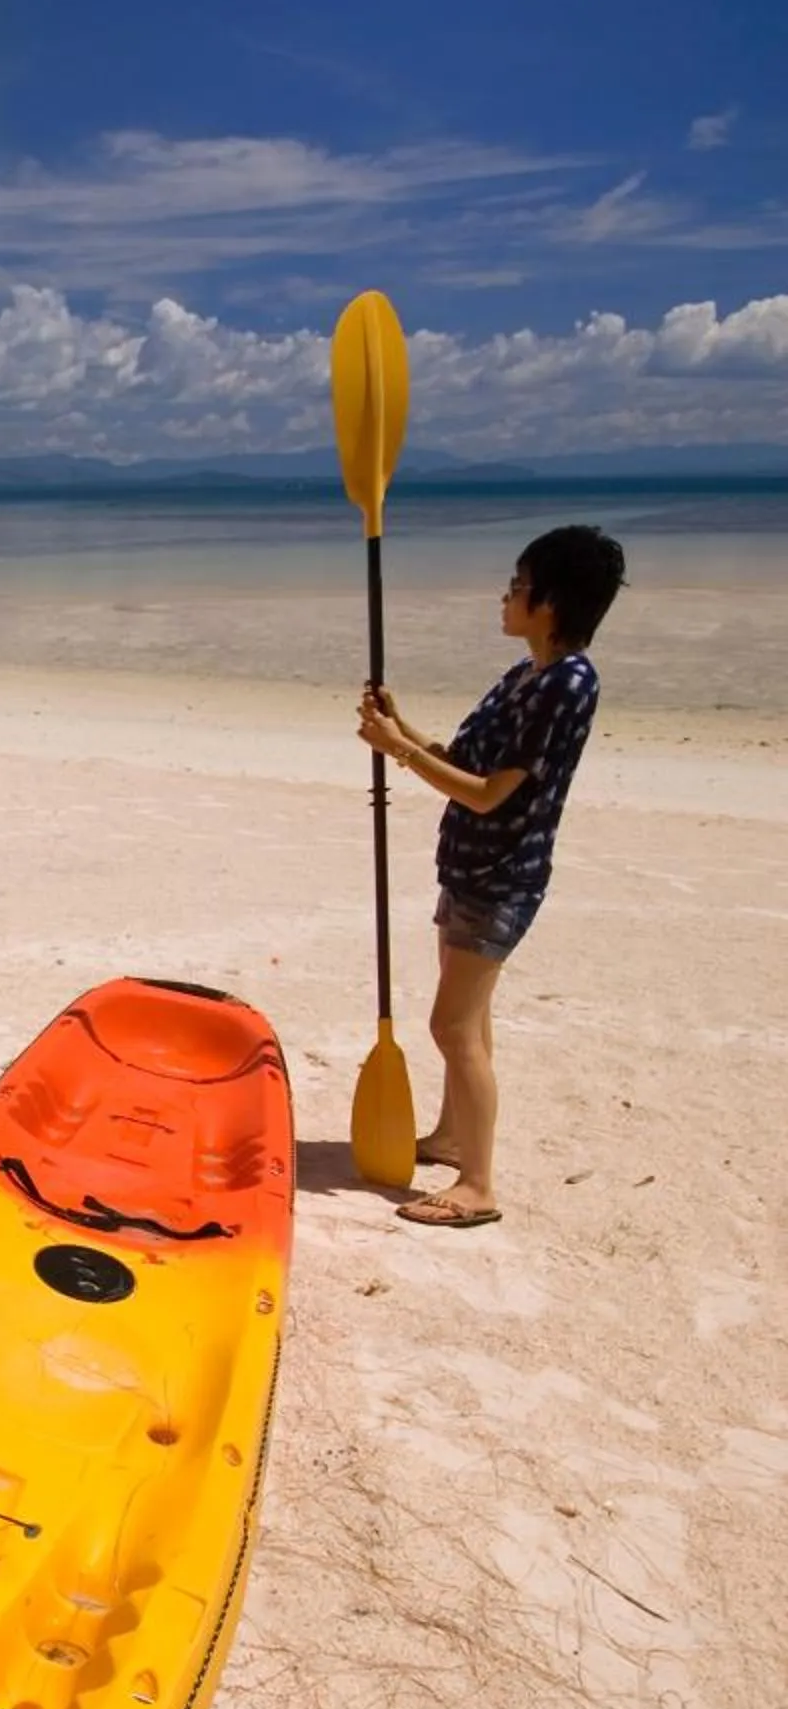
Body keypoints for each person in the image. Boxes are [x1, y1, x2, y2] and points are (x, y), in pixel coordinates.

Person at [357, 523, 626, 1229]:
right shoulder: (525, 675)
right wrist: (402, 729)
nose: (506, 595)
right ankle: (452, 1138)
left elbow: (488, 794)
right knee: (469, 1021)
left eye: (518, 584)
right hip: (472, 865)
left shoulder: (566, 684)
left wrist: (398, 753)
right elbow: (466, 763)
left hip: (503, 875)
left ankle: (478, 1186)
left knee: (452, 1027)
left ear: (552, 601)